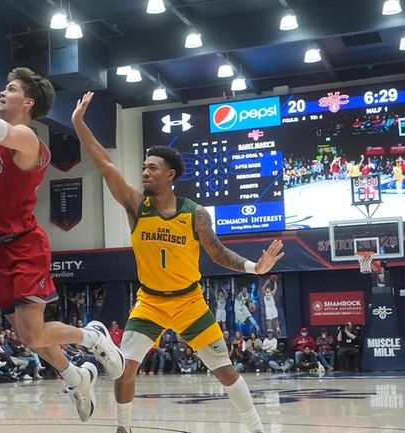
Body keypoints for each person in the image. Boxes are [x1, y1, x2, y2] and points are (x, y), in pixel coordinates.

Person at [72, 92, 284, 433]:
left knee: (225, 369)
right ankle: (123, 429)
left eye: (151, 168)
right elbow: (104, 164)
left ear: (170, 174)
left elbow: (217, 252)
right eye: (143, 167)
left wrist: (253, 268)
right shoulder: (135, 205)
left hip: (189, 302)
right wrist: (79, 125)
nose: (144, 173)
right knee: (126, 368)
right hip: (150, 302)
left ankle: (257, 428)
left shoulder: (195, 214)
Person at [0, 39, 123, 422]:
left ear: (28, 104)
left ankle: (92, 337)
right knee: (27, 336)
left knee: (36, 335)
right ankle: (77, 376)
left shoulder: (26, 138)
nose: (2, 93)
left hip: (24, 245)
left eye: (10, 89)